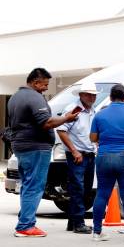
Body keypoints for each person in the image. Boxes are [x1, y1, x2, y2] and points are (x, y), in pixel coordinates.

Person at [8, 68, 79, 237]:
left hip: (21, 146)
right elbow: (46, 123)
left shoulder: (15, 97)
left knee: (27, 184)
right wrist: (66, 118)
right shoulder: (34, 97)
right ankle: (25, 226)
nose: (46, 88)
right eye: (44, 84)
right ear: (35, 82)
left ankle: (25, 218)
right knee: (34, 186)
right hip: (36, 148)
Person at [89, 84, 124, 243]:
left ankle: (97, 232)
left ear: (110, 97)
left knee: (102, 194)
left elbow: (93, 138)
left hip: (105, 156)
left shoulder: (100, 115)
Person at [56, 82, 99, 234]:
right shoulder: (74, 109)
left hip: (88, 154)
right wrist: (74, 151)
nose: (92, 97)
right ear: (81, 95)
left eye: (93, 94)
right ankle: (78, 223)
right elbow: (61, 131)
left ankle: (73, 222)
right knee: (78, 188)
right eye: (88, 94)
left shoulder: (92, 110)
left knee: (85, 189)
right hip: (78, 155)